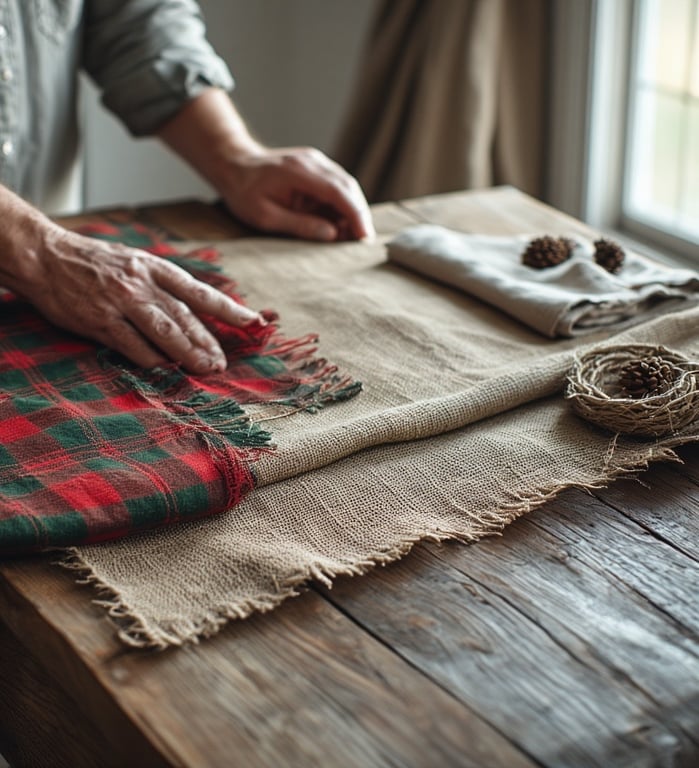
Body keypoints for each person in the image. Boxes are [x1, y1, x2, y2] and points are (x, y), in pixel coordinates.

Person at [0, 1, 375, 374]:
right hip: (51, 261)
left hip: (61, 238)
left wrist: (236, 158)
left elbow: (139, 18)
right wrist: (37, 251)